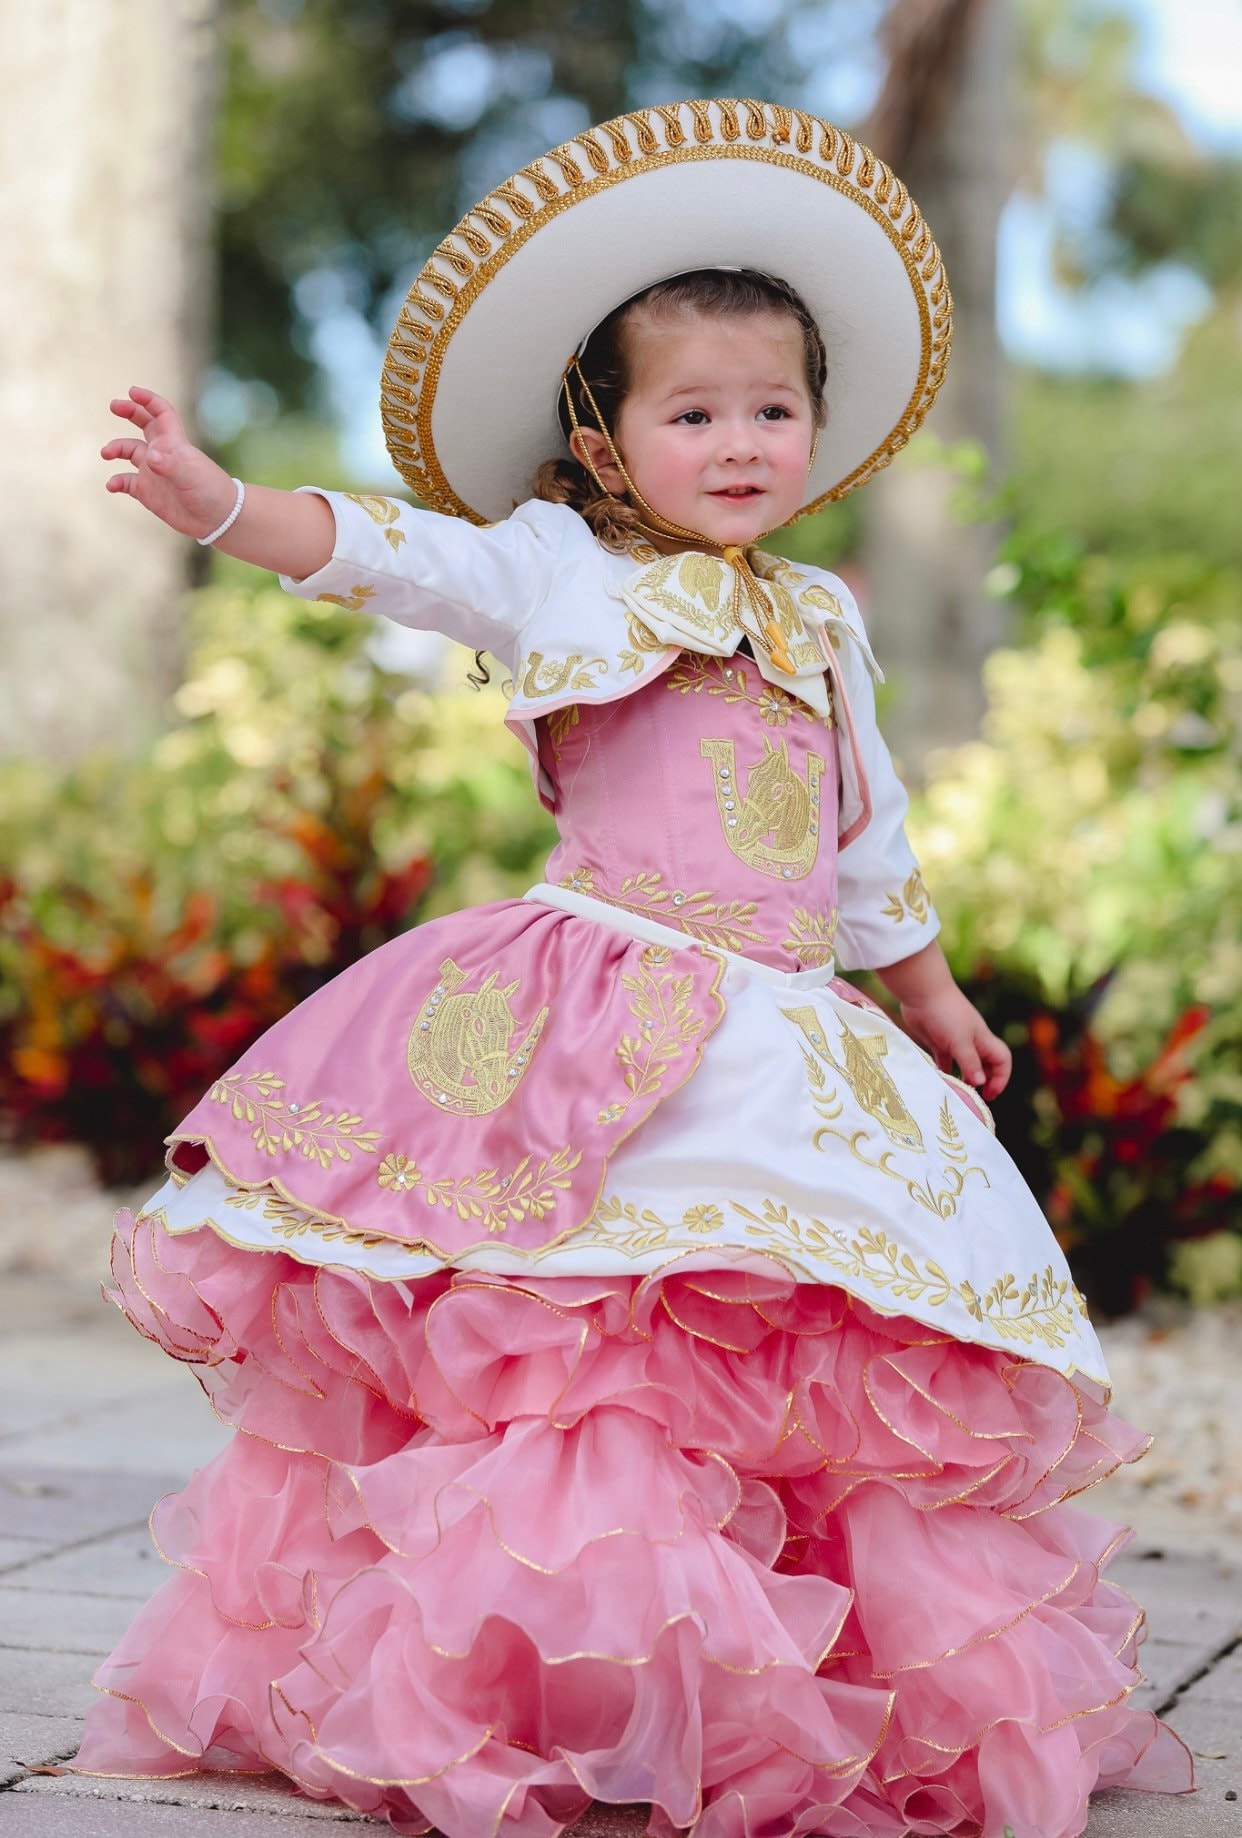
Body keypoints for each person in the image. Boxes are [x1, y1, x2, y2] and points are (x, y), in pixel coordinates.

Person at [78, 100, 1194, 1837]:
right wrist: (228, 504)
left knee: (809, 1341)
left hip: (788, 1037)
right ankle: (554, 1672)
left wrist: (926, 990)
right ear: (603, 444)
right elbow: (393, 558)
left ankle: (793, 1688)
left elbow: (861, 834)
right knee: (591, 1342)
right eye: (694, 412)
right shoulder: (557, 572)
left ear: (817, 430)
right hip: (604, 1003)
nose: (740, 442)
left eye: (773, 409)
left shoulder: (817, 617)